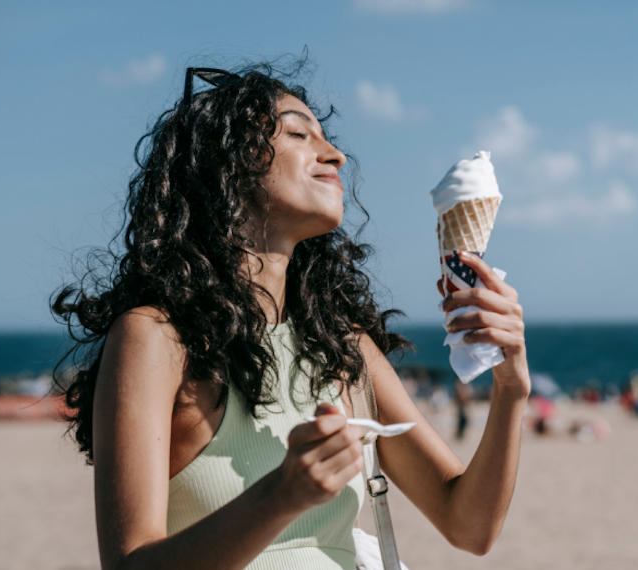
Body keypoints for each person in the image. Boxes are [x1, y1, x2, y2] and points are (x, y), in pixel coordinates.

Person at [52, 60, 530, 570]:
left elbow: (469, 525)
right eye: (300, 133)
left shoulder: (340, 343)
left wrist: (510, 391)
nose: (336, 155)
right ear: (227, 165)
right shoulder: (157, 337)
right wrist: (281, 494)